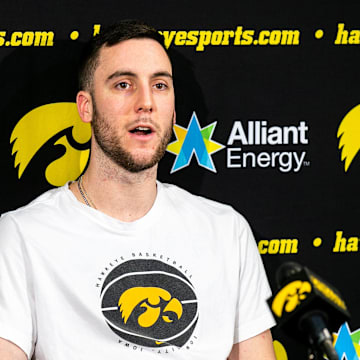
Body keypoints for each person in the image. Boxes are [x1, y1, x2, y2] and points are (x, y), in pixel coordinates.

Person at [0, 20, 276, 360]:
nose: (145, 102)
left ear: (173, 110)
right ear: (86, 107)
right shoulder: (21, 235)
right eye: (123, 84)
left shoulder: (227, 231)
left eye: (160, 85)